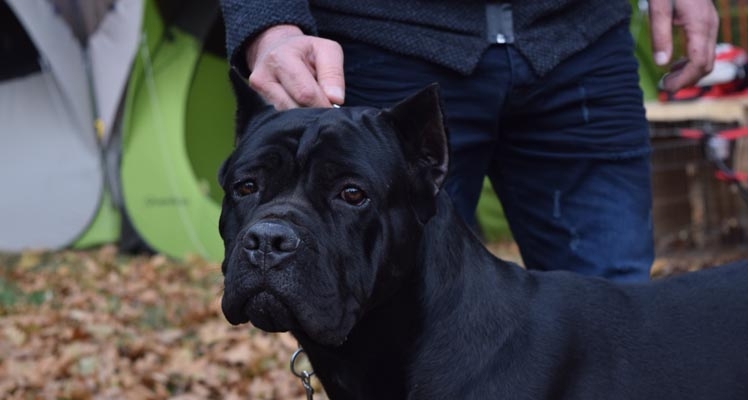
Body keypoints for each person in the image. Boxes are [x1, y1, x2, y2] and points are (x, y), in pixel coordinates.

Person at [218, 0, 718, 282]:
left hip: (581, 39)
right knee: (389, 334)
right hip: (382, 43)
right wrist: (268, 22)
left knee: (612, 308)